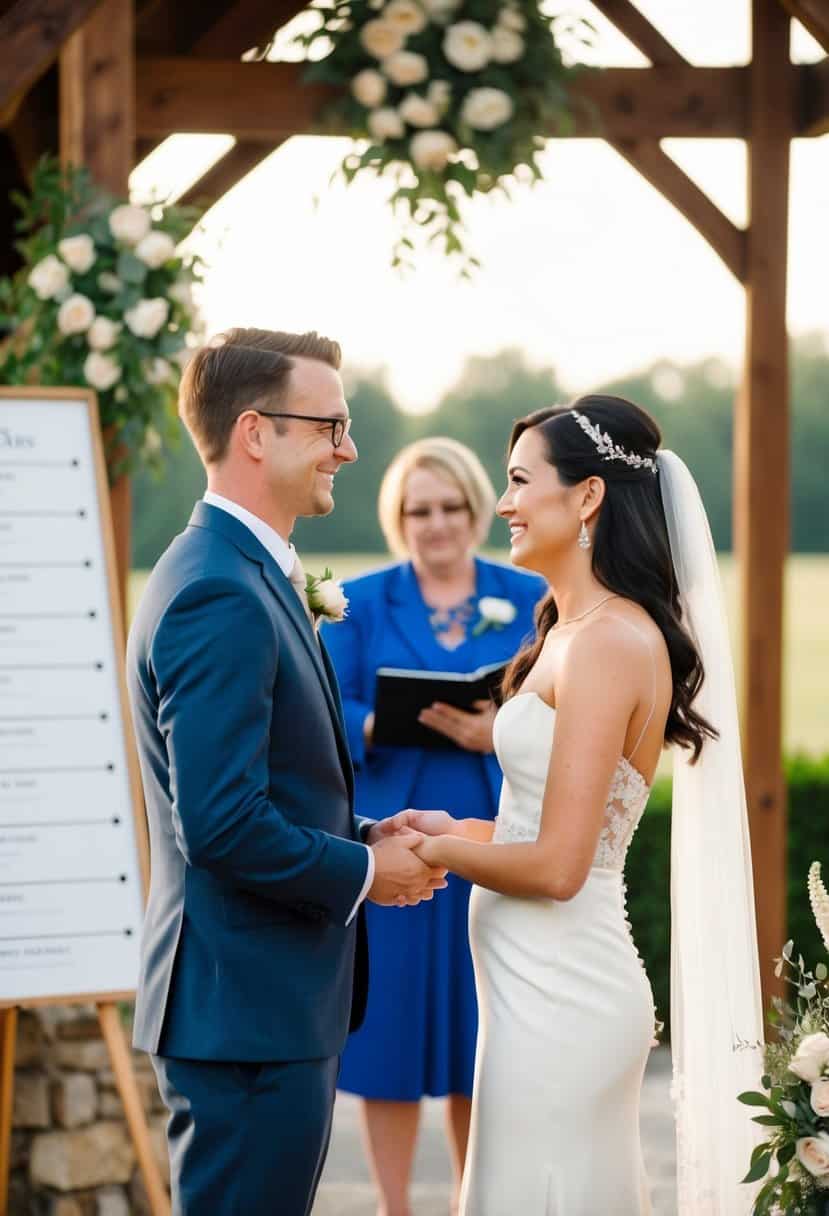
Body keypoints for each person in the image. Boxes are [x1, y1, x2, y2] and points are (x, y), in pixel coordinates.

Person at [390, 397, 764, 1213]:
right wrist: (457, 828)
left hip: (565, 997)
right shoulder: (568, 630)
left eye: (521, 481)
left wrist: (434, 854)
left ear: (586, 497)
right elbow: (550, 829)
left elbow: (561, 868)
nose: (505, 503)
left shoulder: (607, 643)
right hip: (528, 993)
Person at [125, 328, 447, 1216]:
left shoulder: (241, 571)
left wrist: (359, 833)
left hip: (262, 1009)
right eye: (330, 426)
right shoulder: (217, 589)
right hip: (243, 1018)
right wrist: (370, 873)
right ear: (256, 432)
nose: (347, 448)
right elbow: (221, 824)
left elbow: (264, 788)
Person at [321, 436, 545, 1216]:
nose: (437, 523)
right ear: (397, 518)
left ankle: (467, 1200)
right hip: (396, 837)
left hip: (489, 829)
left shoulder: (526, 597)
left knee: (472, 1034)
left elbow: (558, 708)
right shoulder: (355, 600)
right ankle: (394, 1206)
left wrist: (496, 730)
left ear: (477, 509)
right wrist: (379, 724)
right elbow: (322, 708)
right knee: (388, 1035)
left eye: (451, 506)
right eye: (420, 509)